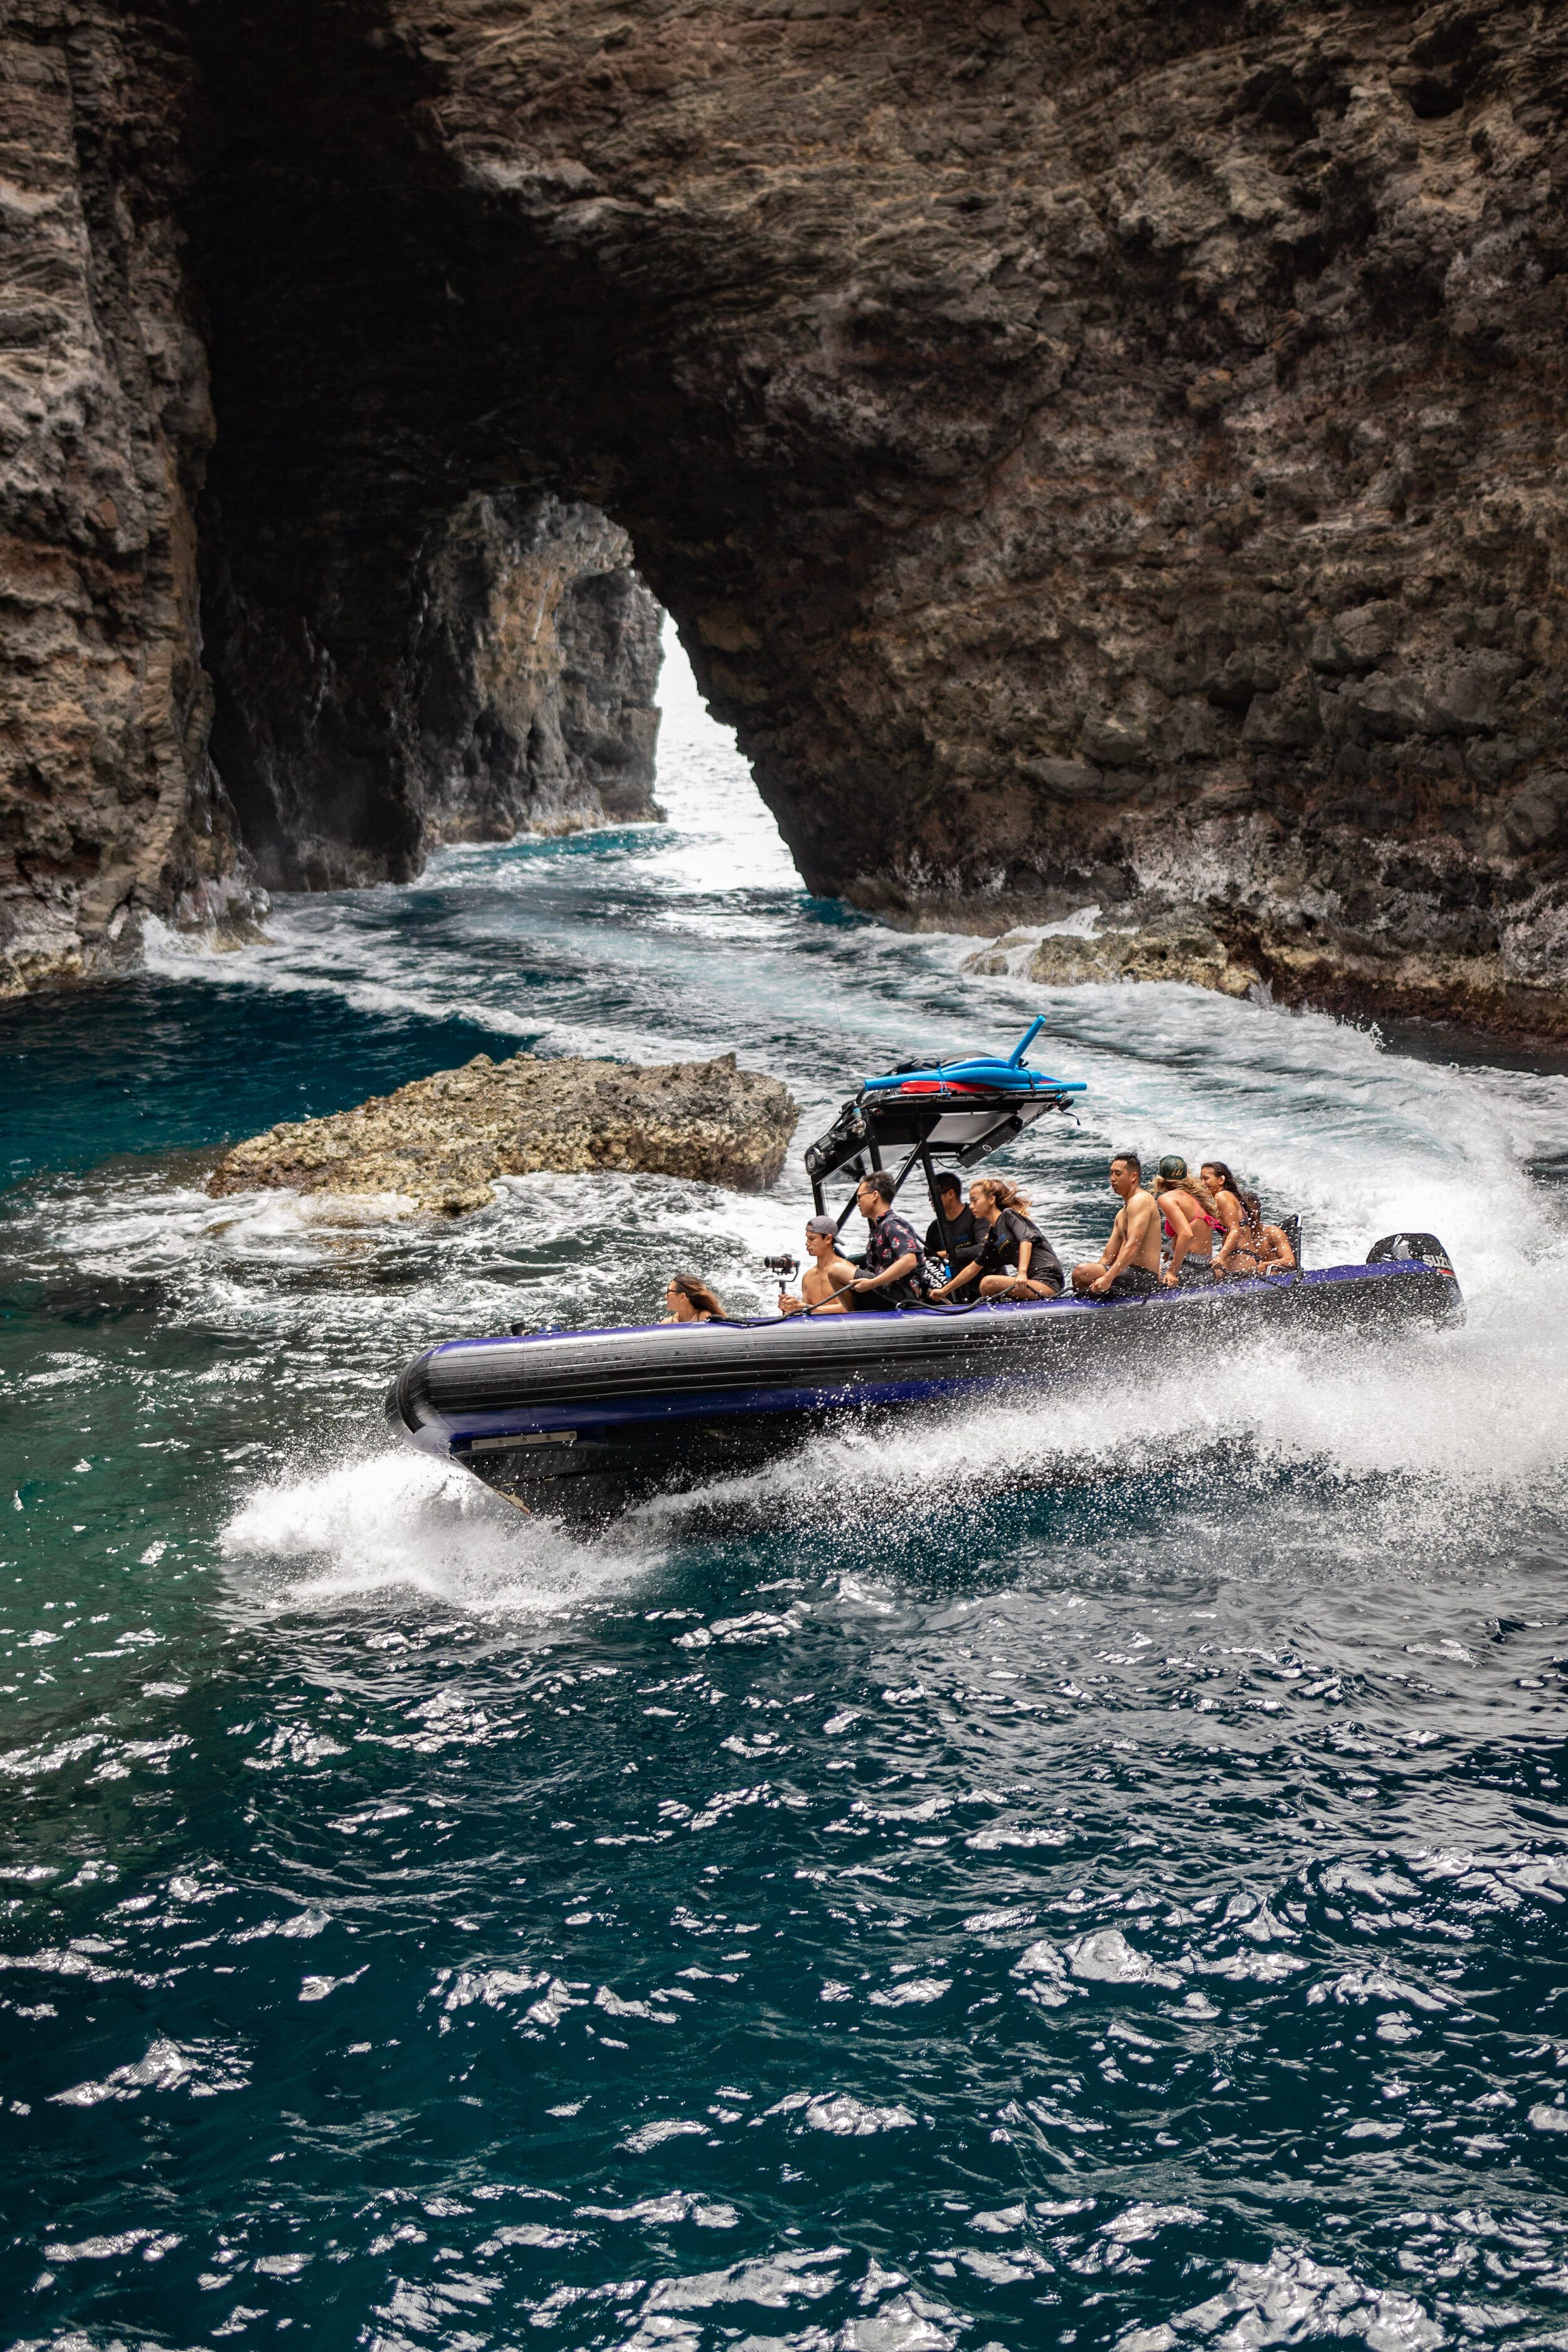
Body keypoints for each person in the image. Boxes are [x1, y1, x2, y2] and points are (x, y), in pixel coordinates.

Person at [929, 1176, 1062, 1301]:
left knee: (988, 1283)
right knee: (987, 1284)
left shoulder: (1008, 1215)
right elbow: (973, 1268)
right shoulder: (994, 1236)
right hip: (1029, 1283)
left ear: (991, 1200)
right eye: (970, 1201)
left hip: (1047, 1282)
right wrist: (944, 1291)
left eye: (975, 1200)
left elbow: (1026, 1240)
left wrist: (1022, 1273)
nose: (971, 1206)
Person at [1071, 1151, 1163, 1298]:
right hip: (1125, 1273)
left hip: (1144, 1277)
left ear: (1133, 1177)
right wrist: (1095, 1280)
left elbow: (1133, 1244)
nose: (1112, 1179)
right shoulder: (1122, 1213)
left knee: (1082, 1272)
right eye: (1111, 1174)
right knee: (1084, 1275)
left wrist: (1108, 1278)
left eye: (1118, 1174)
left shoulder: (1141, 1200)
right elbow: (1108, 1257)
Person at [849, 1170, 930, 1308]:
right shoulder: (880, 1226)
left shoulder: (891, 1224)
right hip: (891, 1290)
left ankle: (851, 1317)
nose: (858, 1204)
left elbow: (909, 1261)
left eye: (860, 1198)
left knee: (835, 1270)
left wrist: (872, 1283)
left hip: (903, 1293)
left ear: (875, 1195)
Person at [1152, 1155, 1222, 1286]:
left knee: (1138, 1277)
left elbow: (1186, 1234)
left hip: (1188, 1267)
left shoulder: (1167, 1198)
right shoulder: (1193, 1197)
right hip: (1204, 1267)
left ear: (1161, 1178)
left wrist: (1172, 1272)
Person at [778, 1216, 857, 1316]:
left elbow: (847, 1309)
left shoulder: (846, 1271)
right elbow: (806, 1314)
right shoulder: (808, 1276)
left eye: (812, 1239)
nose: (807, 1243)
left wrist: (802, 1307)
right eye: (807, 1238)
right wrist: (790, 1308)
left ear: (828, 1239)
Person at [1215, 1190, 1296, 1277]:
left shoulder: (1272, 1233)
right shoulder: (1232, 1237)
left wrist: (1257, 1265)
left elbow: (1290, 1261)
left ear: (1254, 1214)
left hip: (1273, 1281)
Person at [924, 1171, 984, 1276]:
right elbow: (928, 1262)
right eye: (929, 1195)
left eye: (932, 1194)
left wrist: (950, 1254)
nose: (930, 1199)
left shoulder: (977, 1215)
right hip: (955, 1286)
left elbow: (984, 1249)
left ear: (951, 1194)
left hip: (984, 1281)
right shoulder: (934, 1228)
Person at [1200, 1161, 1245, 1254]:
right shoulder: (1229, 1196)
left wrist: (1220, 1257)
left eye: (1206, 1179)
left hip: (1240, 1257)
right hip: (1243, 1256)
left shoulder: (1222, 1196)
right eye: (1201, 1179)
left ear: (1221, 1180)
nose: (1202, 1183)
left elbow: (1235, 1231)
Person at [662, 1272, 728, 1323]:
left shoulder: (705, 1319)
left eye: (669, 1292)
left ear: (682, 1297)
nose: (665, 1296)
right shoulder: (667, 1323)